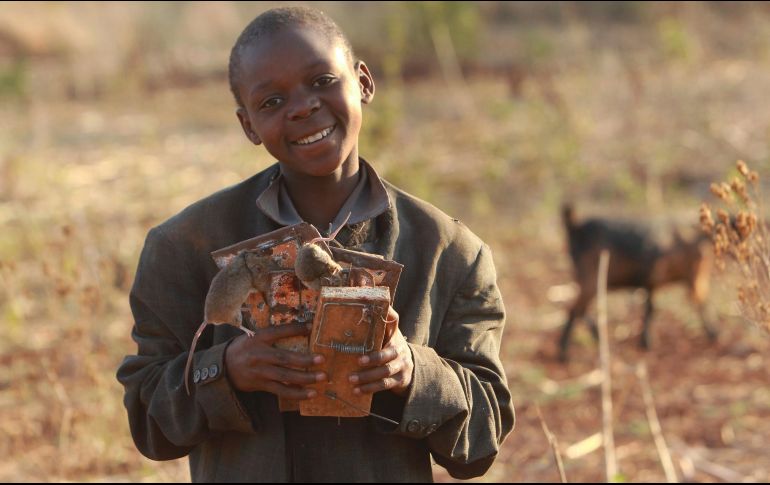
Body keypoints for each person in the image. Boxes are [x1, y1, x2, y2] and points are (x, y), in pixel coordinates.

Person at [117, 6, 514, 482]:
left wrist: (413, 373)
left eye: (322, 80)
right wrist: (224, 370)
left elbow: (483, 439)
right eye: (271, 102)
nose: (303, 106)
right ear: (248, 127)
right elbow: (148, 421)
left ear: (363, 82)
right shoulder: (185, 246)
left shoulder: (448, 252)